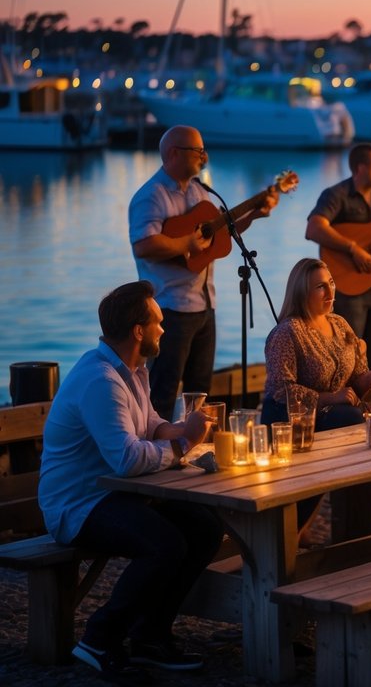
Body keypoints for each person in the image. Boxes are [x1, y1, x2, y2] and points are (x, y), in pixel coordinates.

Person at [38, 281, 223, 680]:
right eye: (157, 322)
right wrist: (186, 442)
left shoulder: (133, 370)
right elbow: (125, 458)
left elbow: (149, 424)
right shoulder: (101, 380)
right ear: (138, 330)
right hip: (79, 505)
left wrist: (179, 430)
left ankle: (150, 637)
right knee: (164, 544)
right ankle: (99, 638)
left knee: (205, 527)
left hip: (115, 495)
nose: (163, 328)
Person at [129, 124, 279, 419]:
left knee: (200, 392)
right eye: (197, 151)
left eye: (203, 150)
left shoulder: (199, 191)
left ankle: (197, 451)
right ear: (173, 154)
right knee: (162, 391)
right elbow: (143, 245)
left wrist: (255, 214)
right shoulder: (152, 196)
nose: (204, 156)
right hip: (169, 308)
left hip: (204, 306)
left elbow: (218, 235)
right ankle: (156, 455)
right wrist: (185, 242)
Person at [305, 142, 371, 369]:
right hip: (349, 293)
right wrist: (354, 249)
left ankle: (370, 405)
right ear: (361, 168)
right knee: (347, 362)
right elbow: (314, 228)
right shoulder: (337, 195)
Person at [261, 258, 371, 430]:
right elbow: (281, 390)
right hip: (297, 420)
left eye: (331, 283)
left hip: (336, 413)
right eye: (321, 287)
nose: (330, 293)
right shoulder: (287, 333)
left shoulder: (340, 324)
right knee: (352, 417)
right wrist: (330, 397)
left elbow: (355, 381)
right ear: (302, 292)